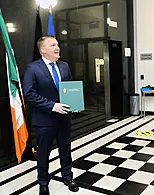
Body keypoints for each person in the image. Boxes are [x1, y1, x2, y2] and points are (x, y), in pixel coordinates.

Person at [23, 35, 79, 195]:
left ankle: (68, 177)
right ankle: (43, 182)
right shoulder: (33, 68)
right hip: (44, 120)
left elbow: (69, 88)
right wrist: (52, 106)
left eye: (58, 44)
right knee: (43, 153)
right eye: (53, 45)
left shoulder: (64, 66)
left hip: (64, 118)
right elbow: (29, 94)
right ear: (42, 50)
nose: (58, 47)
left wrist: (73, 104)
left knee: (65, 149)